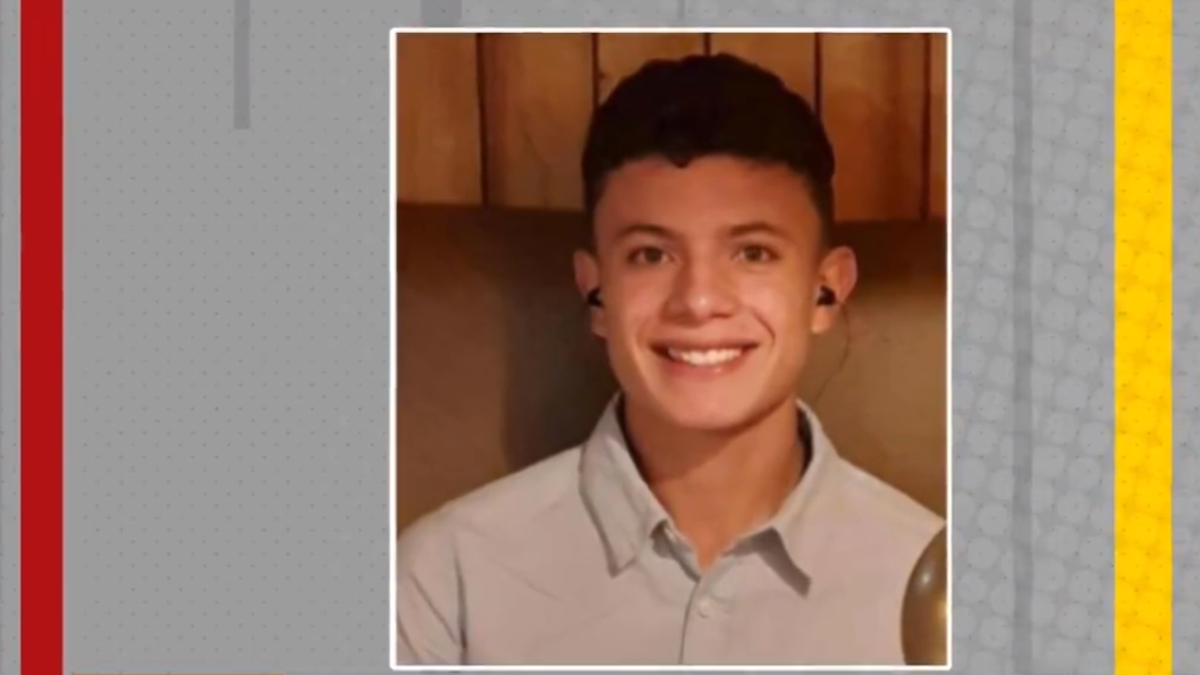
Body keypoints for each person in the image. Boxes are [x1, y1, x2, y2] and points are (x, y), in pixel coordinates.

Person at [393, 52, 944, 666]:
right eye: (651, 256)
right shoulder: (449, 580)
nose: (699, 301)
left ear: (827, 290)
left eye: (753, 253)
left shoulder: (936, 587)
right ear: (596, 294)